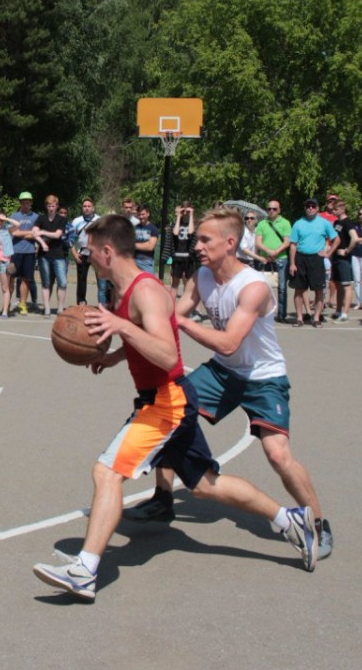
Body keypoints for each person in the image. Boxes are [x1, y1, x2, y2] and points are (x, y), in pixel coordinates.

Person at [31, 214, 317, 601]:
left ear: (107, 251)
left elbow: (167, 354)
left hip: (167, 402)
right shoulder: (121, 289)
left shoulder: (146, 291)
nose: (86, 256)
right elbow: (145, 338)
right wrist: (115, 356)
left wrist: (122, 328)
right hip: (166, 399)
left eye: (89, 250)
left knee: (107, 471)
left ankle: (85, 569)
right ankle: (290, 520)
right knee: (204, 485)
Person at [128, 206, 332, 559]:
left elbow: (228, 342)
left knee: (278, 454)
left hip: (263, 378)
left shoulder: (253, 287)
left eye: (205, 240)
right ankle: (163, 498)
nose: (197, 246)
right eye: (197, 239)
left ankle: (316, 522)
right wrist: (130, 330)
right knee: (168, 408)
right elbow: (174, 315)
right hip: (223, 372)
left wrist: (182, 324)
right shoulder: (202, 276)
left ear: (230, 243)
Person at [287, 198, 337, 327]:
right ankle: (299, 318)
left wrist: (328, 253)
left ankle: (316, 318)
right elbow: (293, 245)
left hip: (316, 258)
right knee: (299, 289)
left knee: (319, 290)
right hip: (300, 258)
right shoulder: (298, 223)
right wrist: (292, 263)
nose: (310, 208)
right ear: (305, 208)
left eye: (313, 206)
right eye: (308, 206)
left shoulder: (324, 223)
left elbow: (336, 239)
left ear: (317, 208)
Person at [255, 200, 291, 322]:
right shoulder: (262, 224)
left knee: (282, 288)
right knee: (263, 288)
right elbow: (258, 242)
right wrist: (268, 251)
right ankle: (263, 313)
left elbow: (287, 241)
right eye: (269, 209)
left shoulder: (285, 223)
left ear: (279, 210)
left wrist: (276, 251)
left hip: (281, 258)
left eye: (274, 209)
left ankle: (281, 314)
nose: (271, 211)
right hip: (265, 259)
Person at [34, 195, 68, 316]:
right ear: (46, 206)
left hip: (58, 254)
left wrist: (43, 232)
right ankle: (47, 308)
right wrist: (43, 243)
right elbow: (34, 232)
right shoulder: (41, 218)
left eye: (53, 206)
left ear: (57, 206)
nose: (51, 208)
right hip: (44, 255)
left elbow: (57, 235)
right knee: (46, 282)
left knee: (62, 282)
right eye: (49, 206)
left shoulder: (61, 219)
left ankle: (60, 308)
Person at [9, 192, 40, 315]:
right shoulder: (14, 216)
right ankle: (7, 302)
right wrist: (29, 233)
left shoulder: (36, 217)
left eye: (28, 202)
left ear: (31, 203)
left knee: (26, 279)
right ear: (20, 203)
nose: (26, 205)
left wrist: (23, 233)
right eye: (23, 202)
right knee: (11, 278)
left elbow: (36, 234)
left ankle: (23, 304)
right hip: (15, 251)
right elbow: (14, 233)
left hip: (29, 252)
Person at [70, 198, 102, 305]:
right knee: (81, 279)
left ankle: (103, 303)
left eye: (89, 206)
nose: (87, 208)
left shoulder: (99, 220)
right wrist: (74, 254)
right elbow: (70, 239)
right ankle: (81, 301)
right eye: (84, 206)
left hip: (96, 254)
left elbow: (104, 238)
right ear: (82, 208)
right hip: (82, 253)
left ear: (93, 208)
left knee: (101, 280)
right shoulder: (76, 221)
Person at [327, 201, 355, 321]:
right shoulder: (337, 222)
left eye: (336, 209)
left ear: (342, 209)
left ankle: (345, 313)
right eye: (333, 209)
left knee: (346, 285)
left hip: (344, 259)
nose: (333, 211)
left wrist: (347, 250)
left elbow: (355, 238)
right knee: (338, 284)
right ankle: (338, 310)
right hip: (336, 258)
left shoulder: (348, 222)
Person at [168, 202, 196, 299]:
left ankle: (185, 305)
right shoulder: (175, 224)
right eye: (184, 210)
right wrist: (179, 217)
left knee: (188, 284)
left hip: (188, 257)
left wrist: (191, 215)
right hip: (177, 257)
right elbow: (175, 233)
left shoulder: (192, 224)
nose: (185, 212)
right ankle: (171, 305)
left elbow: (191, 232)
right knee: (175, 284)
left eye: (187, 210)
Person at [133, 205, 158, 274]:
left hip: (147, 261)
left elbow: (150, 247)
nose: (141, 217)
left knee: (149, 280)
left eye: (143, 214)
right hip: (134, 260)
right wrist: (145, 244)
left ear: (148, 214)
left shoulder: (153, 229)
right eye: (139, 214)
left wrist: (133, 245)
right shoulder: (134, 228)